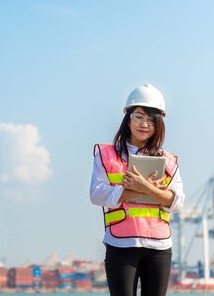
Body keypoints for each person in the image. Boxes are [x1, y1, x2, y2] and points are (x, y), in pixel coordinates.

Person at [90, 84, 185, 296]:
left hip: (159, 248)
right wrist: (138, 189)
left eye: (152, 120)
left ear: (159, 124)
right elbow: (97, 195)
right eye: (139, 117)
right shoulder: (106, 155)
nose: (145, 124)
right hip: (120, 244)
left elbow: (177, 202)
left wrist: (146, 188)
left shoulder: (168, 161)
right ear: (128, 119)